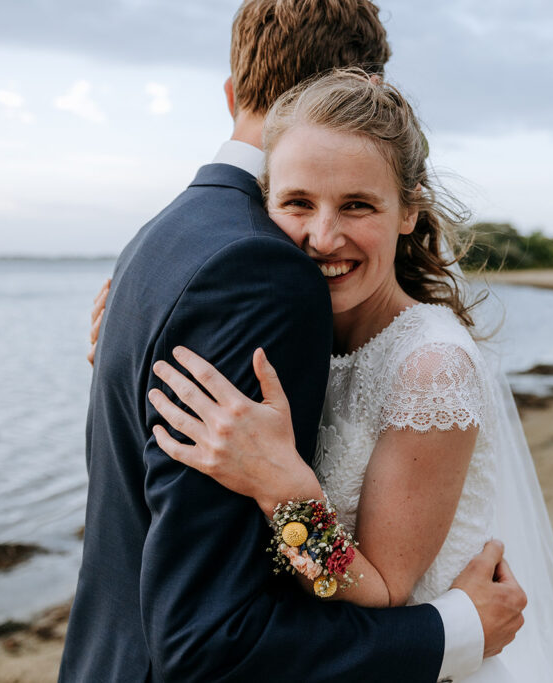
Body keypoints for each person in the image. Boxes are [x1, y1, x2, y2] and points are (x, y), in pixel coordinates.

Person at [60, 1, 526, 681]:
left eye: (359, 204)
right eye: (298, 203)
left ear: (408, 210)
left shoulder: (163, 240)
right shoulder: (260, 265)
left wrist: (287, 491)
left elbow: (383, 587)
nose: (320, 236)